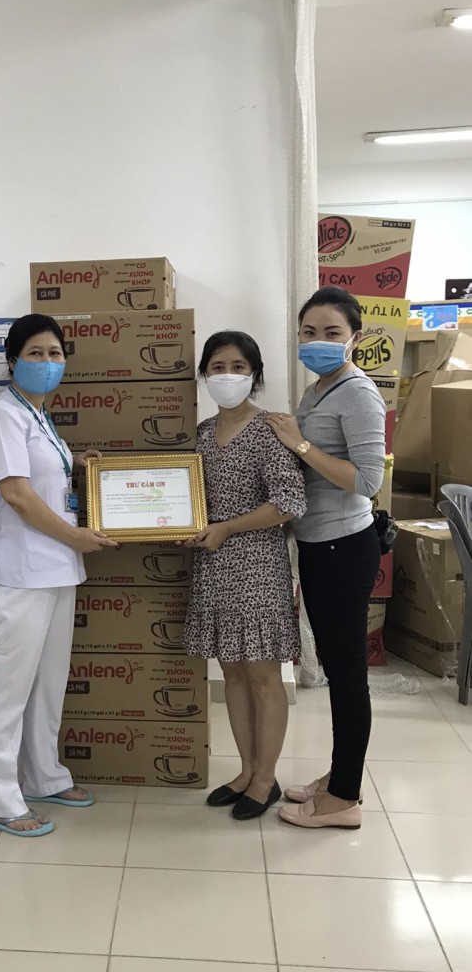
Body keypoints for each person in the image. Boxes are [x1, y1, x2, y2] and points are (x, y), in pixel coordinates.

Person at [0, 313, 118, 837]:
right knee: (8, 690)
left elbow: (41, 478)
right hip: (20, 570)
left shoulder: (38, 415)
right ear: (12, 361)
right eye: (36, 353)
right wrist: (76, 536)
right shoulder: (4, 415)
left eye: (55, 354)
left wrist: (77, 466)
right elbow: (16, 493)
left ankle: (43, 776)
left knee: (48, 684)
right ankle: (0, 799)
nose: (48, 362)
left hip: (55, 568)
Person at [266, 287, 385, 830]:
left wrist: (300, 445)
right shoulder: (319, 389)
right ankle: (340, 776)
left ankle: (344, 800)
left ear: (355, 338)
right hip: (319, 544)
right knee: (340, 671)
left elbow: (368, 480)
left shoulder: (358, 393)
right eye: (309, 332)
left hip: (343, 546)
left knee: (346, 673)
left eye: (332, 333)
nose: (318, 341)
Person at [183, 331, 306, 820]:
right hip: (213, 567)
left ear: (254, 374)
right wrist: (185, 527)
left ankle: (266, 779)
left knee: (262, 676)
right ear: (204, 374)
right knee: (232, 673)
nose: (227, 375)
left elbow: (289, 502)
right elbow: (192, 500)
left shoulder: (270, 429)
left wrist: (227, 528)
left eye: (238, 366)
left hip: (257, 566)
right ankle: (246, 770)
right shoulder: (201, 433)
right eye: (217, 366)